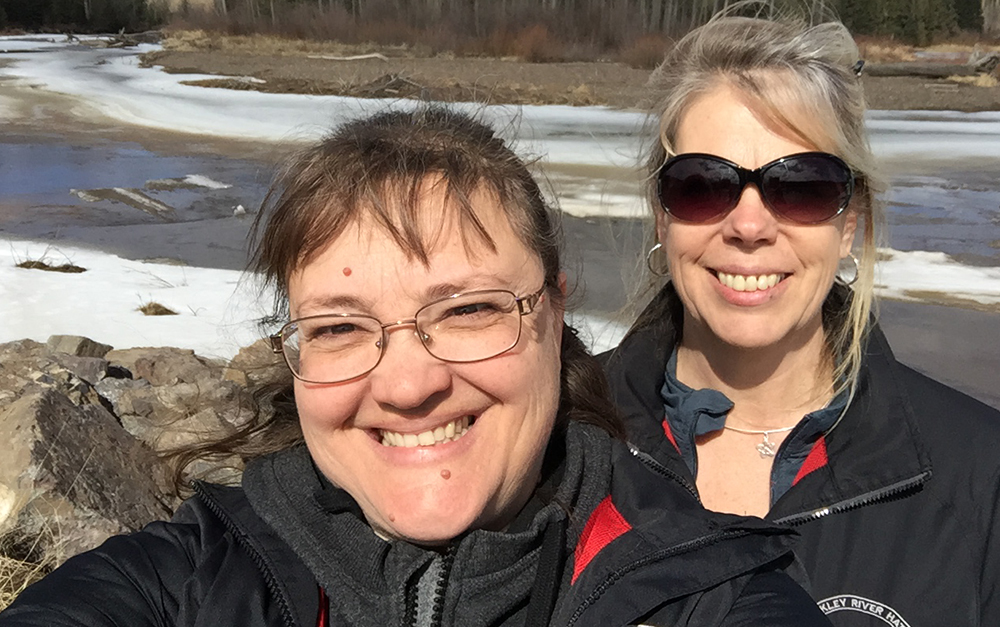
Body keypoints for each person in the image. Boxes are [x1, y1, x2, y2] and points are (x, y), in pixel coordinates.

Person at [0, 107, 828, 626]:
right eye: (339, 327)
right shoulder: (198, 576)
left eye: (467, 311)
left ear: (554, 312)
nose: (405, 384)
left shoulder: (700, 592)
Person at [601, 9, 1000, 627]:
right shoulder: (562, 437)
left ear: (850, 223)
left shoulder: (978, 474)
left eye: (802, 185)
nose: (750, 226)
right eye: (704, 183)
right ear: (662, 216)